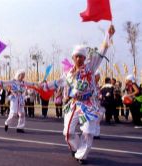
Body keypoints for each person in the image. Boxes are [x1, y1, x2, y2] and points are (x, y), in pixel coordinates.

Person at [44, 25, 115, 164]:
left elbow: (102, 49)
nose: (80, 59)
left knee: (88, 132)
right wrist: (41, 86)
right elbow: (56, 83)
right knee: (67, 133)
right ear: (73, 57)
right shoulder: (69, 74)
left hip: (88, 104)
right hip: (74, 103)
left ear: (85, 57)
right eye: (77, 56)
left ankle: (81, 155)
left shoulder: (90, 66)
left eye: (82, 56)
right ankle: (76, 147)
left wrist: (108, 34)